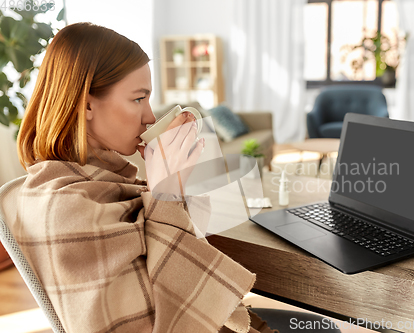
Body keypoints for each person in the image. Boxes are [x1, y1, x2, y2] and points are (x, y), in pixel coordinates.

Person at [14, 22, 278, 333]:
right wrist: (164, 194)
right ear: (86, 103)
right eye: (139, 99)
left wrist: (175, 184)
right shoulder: (62, 206)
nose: (150, 117)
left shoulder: (109, 181)